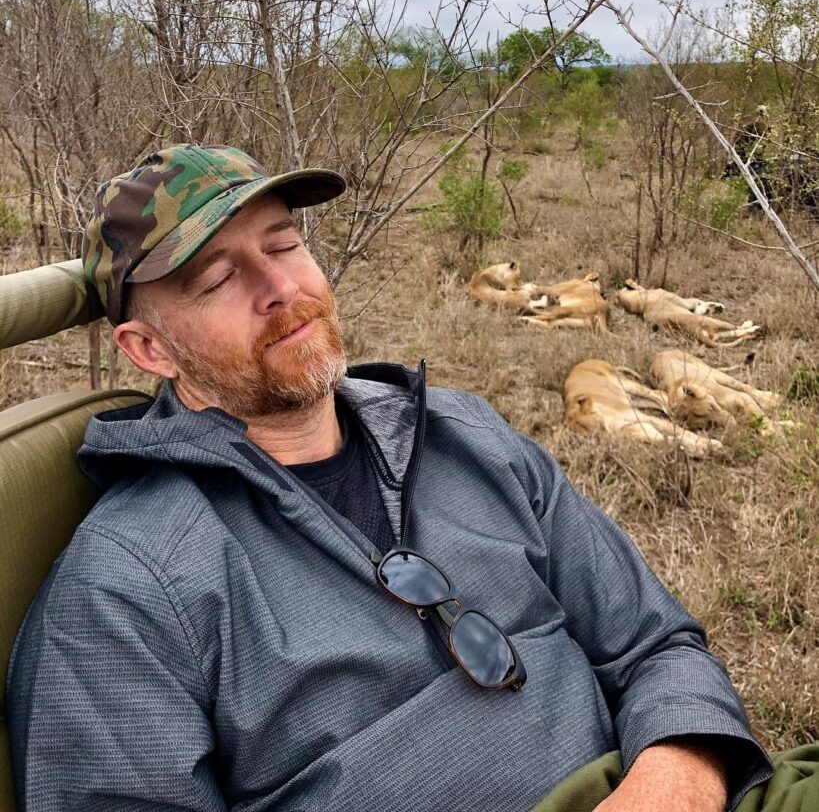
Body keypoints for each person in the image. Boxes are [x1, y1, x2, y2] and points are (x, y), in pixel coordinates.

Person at [7, 144, 774, 812]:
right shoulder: (125, 591)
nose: (278, 287)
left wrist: (678, 775)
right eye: (216, 281)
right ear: (150, 351)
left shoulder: (464, 433)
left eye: (282, 244)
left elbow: (656, 643)